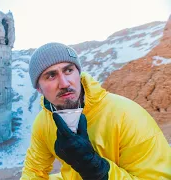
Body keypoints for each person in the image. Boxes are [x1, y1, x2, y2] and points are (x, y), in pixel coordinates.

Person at [21, 42, 171, 179]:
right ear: (39, 89)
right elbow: (33, 171)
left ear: (78, 73)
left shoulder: (126, 115)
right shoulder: (44, 122)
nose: (64, 83)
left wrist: (95, 169)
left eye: (68, 70)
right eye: (51, 75)